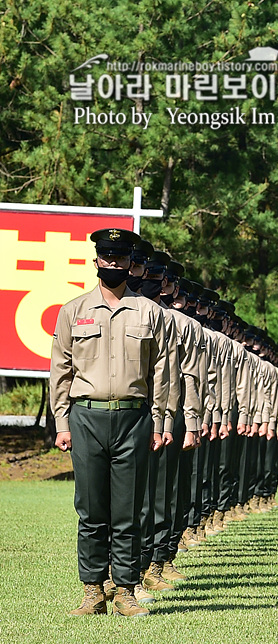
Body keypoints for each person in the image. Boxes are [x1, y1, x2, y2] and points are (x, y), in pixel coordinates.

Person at [50, 228, 169, 618]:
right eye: (107, 256)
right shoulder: (74, 311)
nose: (113, 263)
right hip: (85, 418)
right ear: (97, 260)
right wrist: (62, 422)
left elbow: (162, 373)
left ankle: (125, 591)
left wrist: (160, 421)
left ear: (129, 263)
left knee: (127, 510)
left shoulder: (151, 313)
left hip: (133, 419)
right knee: (90, 509)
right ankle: (92, 590)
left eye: (120, 257)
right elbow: (61, 370)